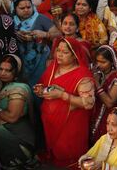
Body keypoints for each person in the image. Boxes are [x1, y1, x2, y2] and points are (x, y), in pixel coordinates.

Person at [37, 37, 95, 168]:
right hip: (50, 122)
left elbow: (88, 103)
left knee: (70, 157)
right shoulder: (53, 68)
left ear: (74, 55)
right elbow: (46, 85)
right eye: (58, 51)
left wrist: (62, 95)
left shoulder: (82, 75)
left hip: (71, 125)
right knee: (55, 155)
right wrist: (41, 90)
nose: (59, 55)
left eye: (65, 52)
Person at [0, 54, 38, 169]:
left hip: (19, 138)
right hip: (8, 131)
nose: (2, 73)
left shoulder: (18, 89)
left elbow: (12, 117)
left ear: (16, 72)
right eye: (1, 69)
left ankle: (16, 159)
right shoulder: (1, 85)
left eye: (8, 70)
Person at [12, 0, 61, 87]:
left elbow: (58, 34)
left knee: (39, 86)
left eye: (29, 7)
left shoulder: (41, 18)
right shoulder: (11, 21)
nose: (26, 10)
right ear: (15, 9)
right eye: (22, 8)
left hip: (40, 62)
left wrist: (45, 34)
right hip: (20, 61)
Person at [91, 45, 117, 144]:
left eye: (103, 62)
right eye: (97, 61)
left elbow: (109, 102)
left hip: (110, 117)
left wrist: (97, 83)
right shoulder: (98, 72)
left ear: (112, 62)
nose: (99, 65)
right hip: (96, 114)